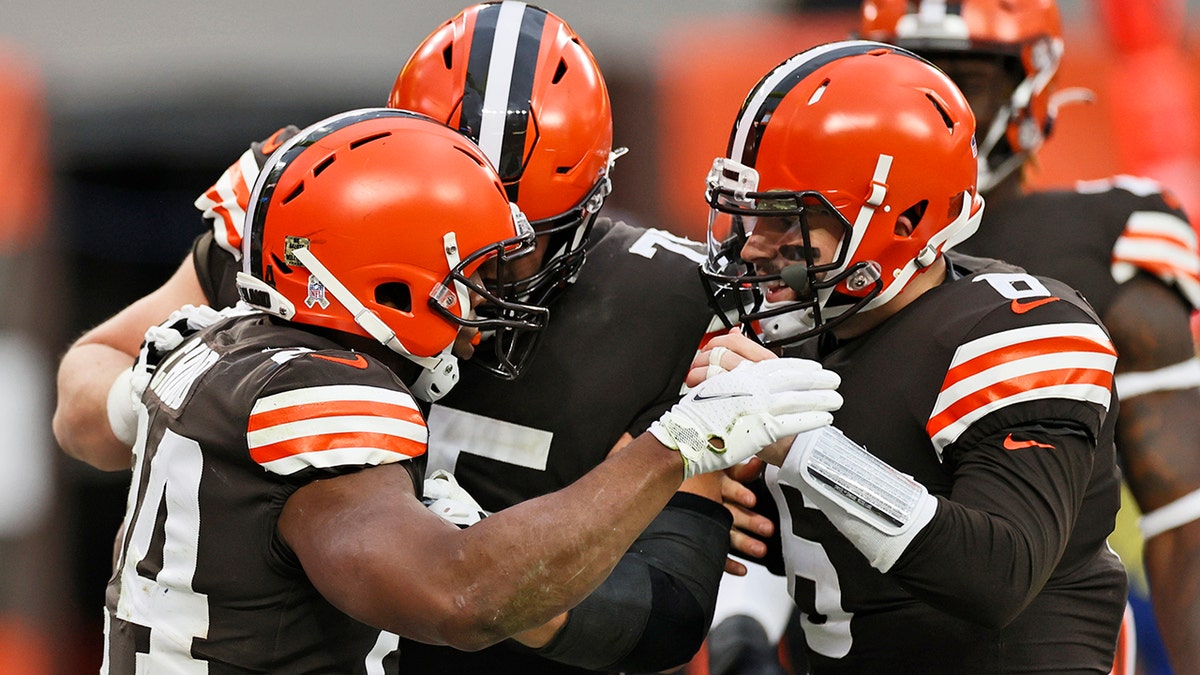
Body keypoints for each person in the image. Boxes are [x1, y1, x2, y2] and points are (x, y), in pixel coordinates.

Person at [55, 3, 748, 672]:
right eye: (458, 243)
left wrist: (672, 479)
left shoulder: (672, 300)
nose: (490, 285)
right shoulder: (313, 208)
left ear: (588, 203)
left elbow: (669, 613)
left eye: (515, 249)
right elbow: (87, 398)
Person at [693, 41, 1126, 672]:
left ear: (905, 220)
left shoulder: (1019, 333)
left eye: (789, 222)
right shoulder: (790, 324)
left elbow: (997, 574)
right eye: (749, 215)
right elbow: (782, 534)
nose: (756, 248)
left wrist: (799, 440)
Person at [860, 2, 1200, 672]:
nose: (938, 105)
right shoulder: (808, 247)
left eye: (966, 78)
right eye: (917, 74)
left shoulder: (1100, 244)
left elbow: (1184, 517)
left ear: (1030, 83)